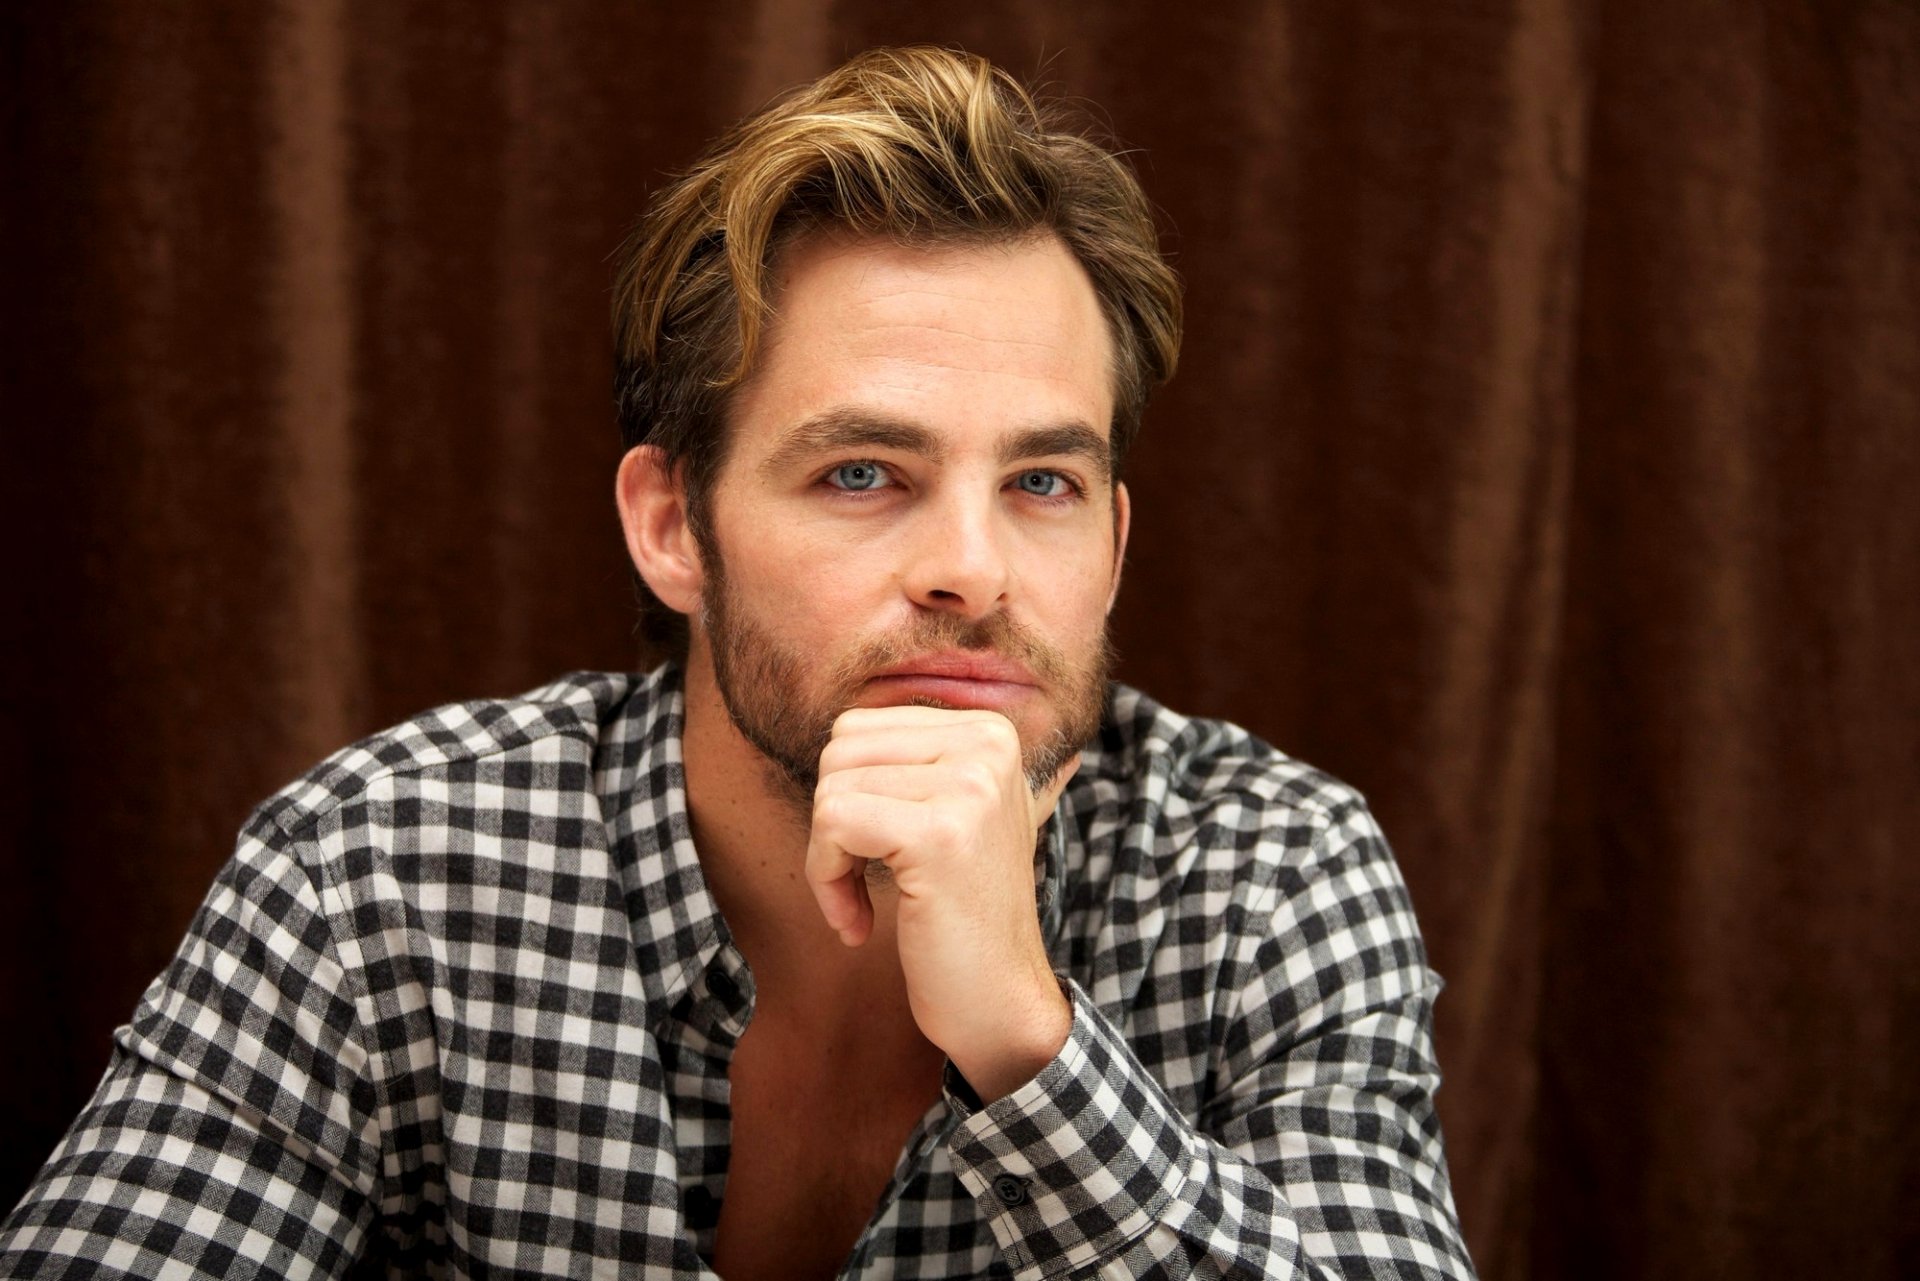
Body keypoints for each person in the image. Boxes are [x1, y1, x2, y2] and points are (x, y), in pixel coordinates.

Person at [0, 46, 1475, 1280]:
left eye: (1044, 483)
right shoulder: (383, 869)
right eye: (862, 474)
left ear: (1115, 540)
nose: (972, 568)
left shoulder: (1270, 871)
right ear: (672, 527)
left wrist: (1035, 1050)